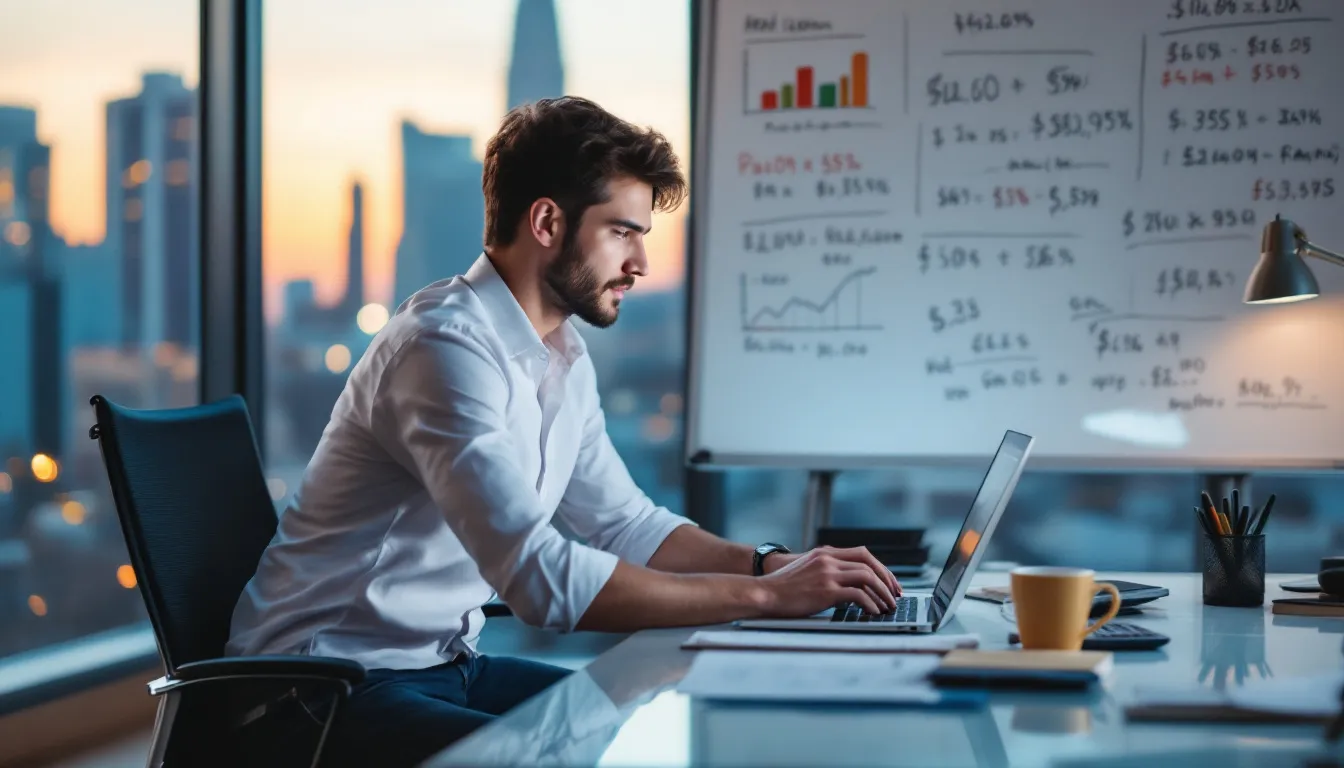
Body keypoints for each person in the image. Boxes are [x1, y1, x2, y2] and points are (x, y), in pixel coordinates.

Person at [227, 96, 900, 767]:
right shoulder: (443, 348)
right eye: (622, 232)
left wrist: (769, 564)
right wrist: (763, 598)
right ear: (547, 220)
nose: (639, 262)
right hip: (312, 690)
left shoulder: (561, 356)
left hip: (442, 666)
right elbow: (540, 578)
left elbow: (628, 526)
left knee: (637, 727)